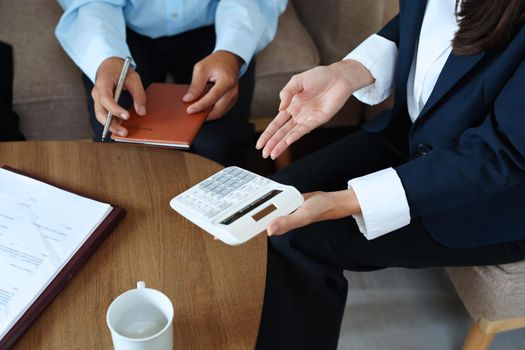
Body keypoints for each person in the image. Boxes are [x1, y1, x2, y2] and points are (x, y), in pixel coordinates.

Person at [254, 0, 525, 348]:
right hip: (415, 134)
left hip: (490, 195)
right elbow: (426, 20)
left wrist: (347, 202)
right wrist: (347, 71)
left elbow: (497, 153)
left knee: (299, 237)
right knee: (274, 200)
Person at [55, 0, 286, 166]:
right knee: (118, 141)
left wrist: (232, 51)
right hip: (120, 26)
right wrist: (105, 58)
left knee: (221, 144)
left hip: (218, 21)